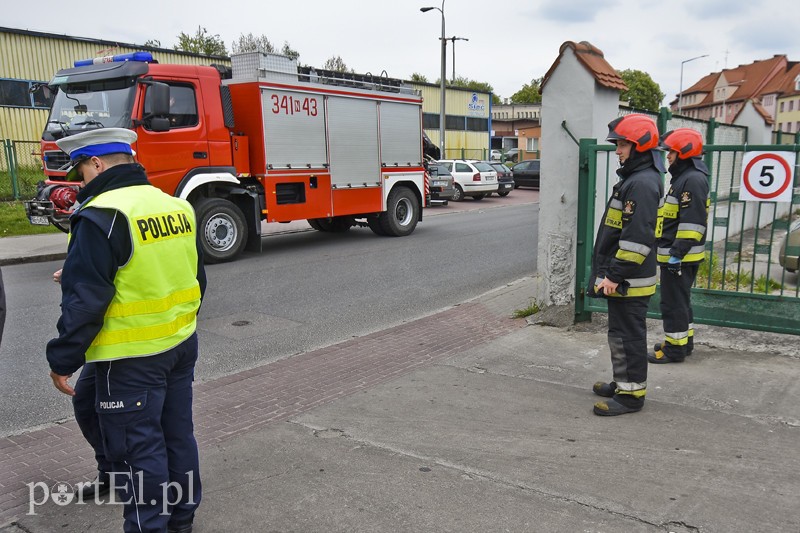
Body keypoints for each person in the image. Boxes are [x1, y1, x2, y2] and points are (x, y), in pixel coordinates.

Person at [46, 128, 206, 533]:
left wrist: (62, 360)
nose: (81, 182)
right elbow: (193, 278)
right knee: (177, 437)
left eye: (80, 171)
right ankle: (181, 520)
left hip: (130, 357)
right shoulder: (173, 205)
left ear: (96, 164)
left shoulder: (101, 214)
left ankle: (150, 526)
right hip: (179, 345)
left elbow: (86, 303)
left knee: (140, 451)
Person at [588, 114, 664, 416]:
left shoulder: (642, 184)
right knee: (619, 334)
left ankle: (632, 396)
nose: (617, 151)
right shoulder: (636, 179)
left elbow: (637, 240)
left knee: (628, 336)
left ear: (639, 146)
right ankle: (623, 383)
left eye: (621, 145)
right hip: (624, 278)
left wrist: (614, 275)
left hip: (628, 280)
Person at [649, 128, 709, 364]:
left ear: (683, 152)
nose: (668, 157)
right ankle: (684, 343)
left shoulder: (691, 179)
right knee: (680, 301)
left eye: (671, 152)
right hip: (681, 256)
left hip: (681, 257)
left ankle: (674, 349)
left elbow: (692, 224)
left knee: (673, 303)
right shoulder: (686, 178)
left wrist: (676, 254)